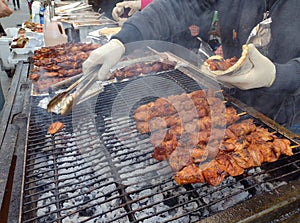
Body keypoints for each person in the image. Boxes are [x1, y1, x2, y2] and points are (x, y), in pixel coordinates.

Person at [82, 0, 300, 134]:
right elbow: (178, 5)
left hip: (292, 114)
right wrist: (123, 41)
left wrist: (278, 75)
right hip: (238, 100)